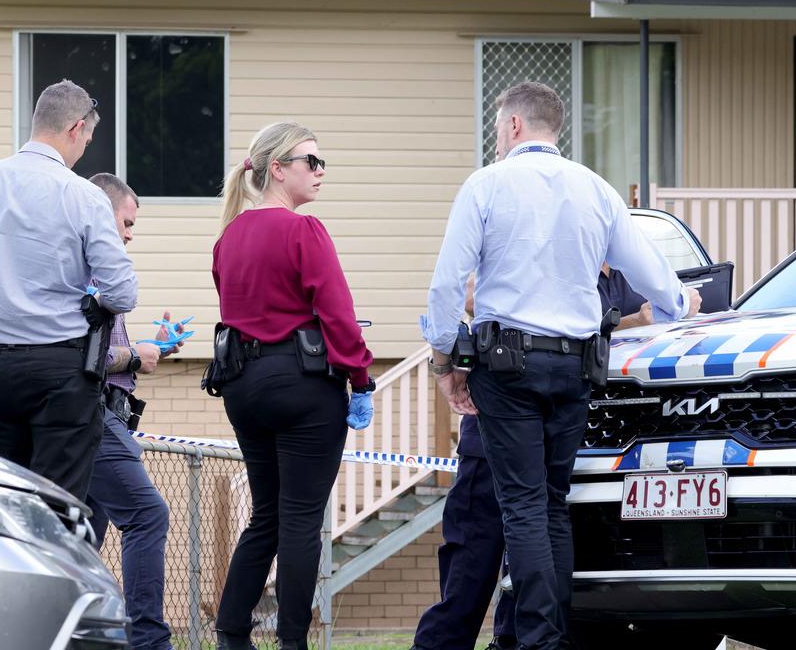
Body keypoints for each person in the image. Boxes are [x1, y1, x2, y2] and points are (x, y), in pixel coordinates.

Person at [422, 82, 700, 650]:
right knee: (551, 503)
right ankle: (549, 637)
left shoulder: (486, 185)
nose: (497, 138)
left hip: (507, 367)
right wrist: (680, 306)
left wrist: (445, 359)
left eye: (499, 128)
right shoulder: (595, 190)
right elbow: (651, 274)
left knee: (521, 503)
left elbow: (448, 284)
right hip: (575, 369)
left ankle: (538, 641)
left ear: (515, 126)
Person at [411, 267, 677, 650]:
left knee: (536, 529)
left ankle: (513, 638)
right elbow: (468, 294)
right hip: (496, 419)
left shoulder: (625, 278)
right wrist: (630, 322)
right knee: (475, 548)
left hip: (581, 427)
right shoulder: (537, 251)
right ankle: (443, 644)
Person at [211, 122, 375, 650]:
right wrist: (360, 378)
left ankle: (233, 635)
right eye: (311, 161)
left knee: (266, 516)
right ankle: (291, 643)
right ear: (277, 169)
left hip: (243, 385)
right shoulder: (304, 231)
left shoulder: (228, 236)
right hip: (303, 385)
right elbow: (337, 314)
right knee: (301, 520)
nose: (321, 171)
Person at [0, 79, 137, 500]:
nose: (84, 147)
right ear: (75, 128)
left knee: (11, 499)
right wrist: (93, 301)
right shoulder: (83, 195)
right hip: (60, 369)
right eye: (87, 137)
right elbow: (122, 293)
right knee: (58, 504)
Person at [84, 173, 180, 650]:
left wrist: (153, 347)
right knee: (148, 515)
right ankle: (148, 642)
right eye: (126, 222)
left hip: (110, 414)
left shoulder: (103, 273)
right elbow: (79, 359)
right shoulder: (84, 270)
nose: (129, 233)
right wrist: (134, 355)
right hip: (94, 419)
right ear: (103, 214)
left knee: (81, 540)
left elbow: (107, 352)